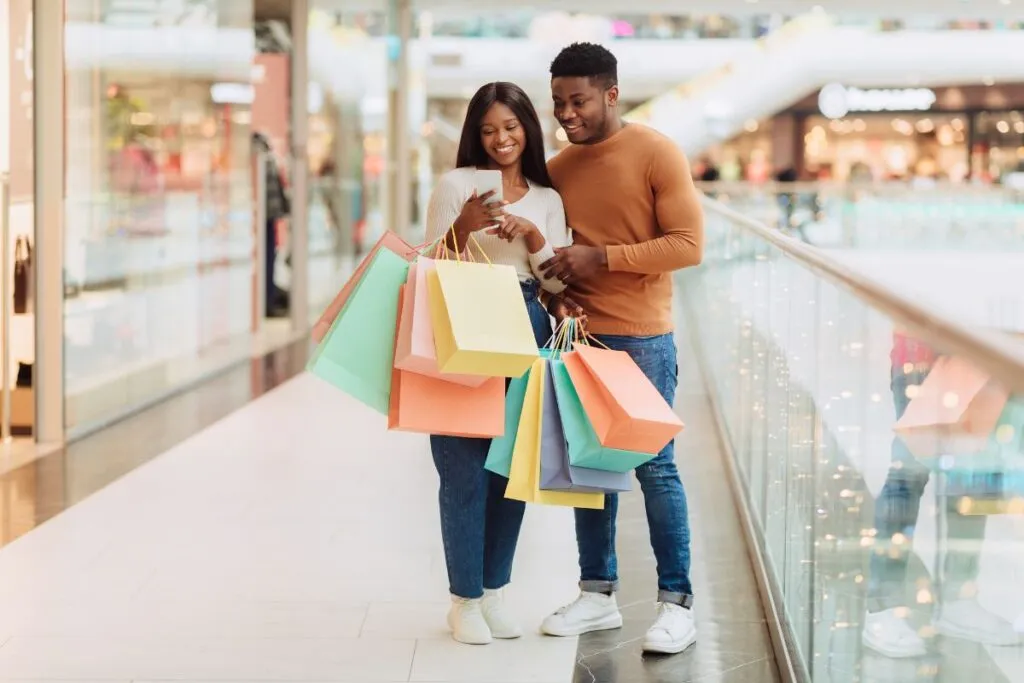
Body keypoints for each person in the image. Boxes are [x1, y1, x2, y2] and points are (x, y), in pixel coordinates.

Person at [537, 42, 705, 655]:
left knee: (655, 467)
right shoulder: (556, 171)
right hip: (581, 336)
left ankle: (676, 603)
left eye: (578, 100)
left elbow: (688, 245)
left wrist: (602, 257)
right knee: (590, 468)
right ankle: (598, 594)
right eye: (558, 102)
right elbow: (546, 262)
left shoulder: (657, 152)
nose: (566, 114)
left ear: (611, 93)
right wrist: (556, 299)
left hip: (643, 338)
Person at [424, 81, 575, 646]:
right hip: (463, 318)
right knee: (460, 464)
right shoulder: (457, 184)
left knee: (510, 467)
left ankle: (494, 593)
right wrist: (462, 228)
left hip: (527, 321)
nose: (500, 139)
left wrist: (534, 235)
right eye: (488, 130)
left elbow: (558, 283)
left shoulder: (548, 197)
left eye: (510, 128)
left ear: (528, 130)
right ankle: (463, 600)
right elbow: (428, 264)